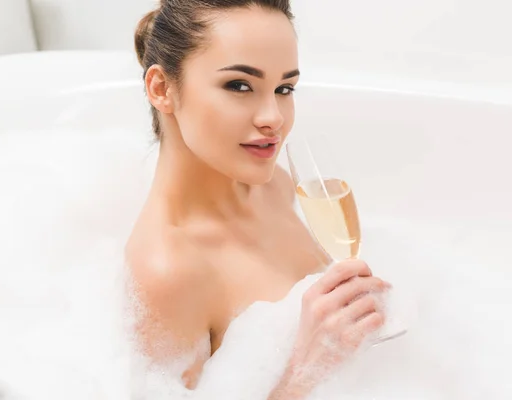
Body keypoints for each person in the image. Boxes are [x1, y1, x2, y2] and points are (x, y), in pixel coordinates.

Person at [125, 1, 392, 398]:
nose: (274, 117)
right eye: (240, 86)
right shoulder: (170, 273)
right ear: (161, 89)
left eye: (284, 88)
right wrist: (304, 375)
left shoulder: (275, 184)